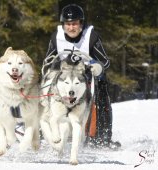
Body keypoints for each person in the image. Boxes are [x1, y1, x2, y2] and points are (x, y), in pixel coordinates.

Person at [42, 4, 121, 149]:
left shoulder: (91, 37)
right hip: (64, 79)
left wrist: (97, 67)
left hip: (87, 77)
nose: (71, 28)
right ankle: (45, 131)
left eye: (75, 24)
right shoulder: (56, 37)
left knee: (101, 92)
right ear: (63, 24)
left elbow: (105, 61)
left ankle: (102, 137)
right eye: (68, 24)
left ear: (81, 24)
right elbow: (48, 62)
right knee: (47, 92)